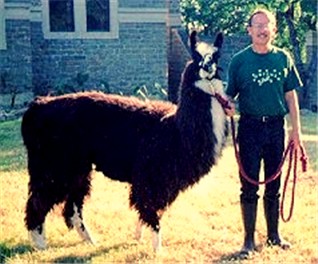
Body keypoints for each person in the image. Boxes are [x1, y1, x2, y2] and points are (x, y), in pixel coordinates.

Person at [224, 8, 304, 256]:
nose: (262, 29)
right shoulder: (239, 61)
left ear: (274, 29)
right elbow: (230, 95)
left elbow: (291, 97)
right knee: (249, 185)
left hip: (275, 129)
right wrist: (227, 105)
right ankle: (248, 241)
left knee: (274, 184)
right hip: (249, 127)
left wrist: (296, 132)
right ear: (249, 30)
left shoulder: (283, 58)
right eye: (257, 25)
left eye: (266, 24)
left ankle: (273, 236)